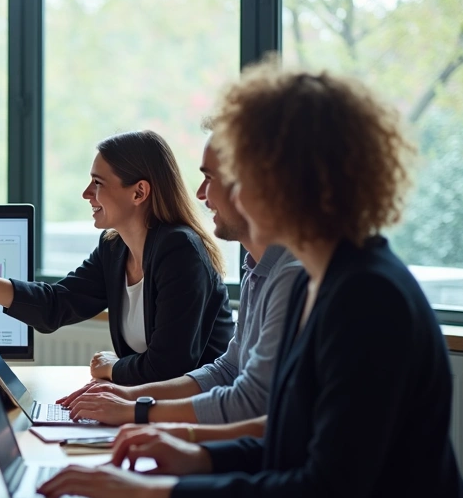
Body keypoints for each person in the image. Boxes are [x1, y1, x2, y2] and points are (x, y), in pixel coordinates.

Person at [37, 63, 463, 498]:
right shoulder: (331, 279)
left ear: (288, 183)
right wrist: (197, 455)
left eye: (238, 179)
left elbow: (322, 494)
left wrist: (153, 492)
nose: (220, 198)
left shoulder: (367, 298)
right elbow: (296, 439)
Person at [0, 130, 233, 386]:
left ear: (139, 192)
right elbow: (54, 306)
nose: (87, 193)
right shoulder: (114, 249)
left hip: (195, 417)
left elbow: (169, 369)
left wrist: (113, 367)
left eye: (98, 183)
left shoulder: (180, 251)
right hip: (146, 409)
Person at [57, 126, 303, 429]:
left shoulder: (293, 277)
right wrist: (127, 396)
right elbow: (227, 371)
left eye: (210, 178)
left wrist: (136, 409)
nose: (200, 194)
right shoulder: (257, 269)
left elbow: (250, 402)